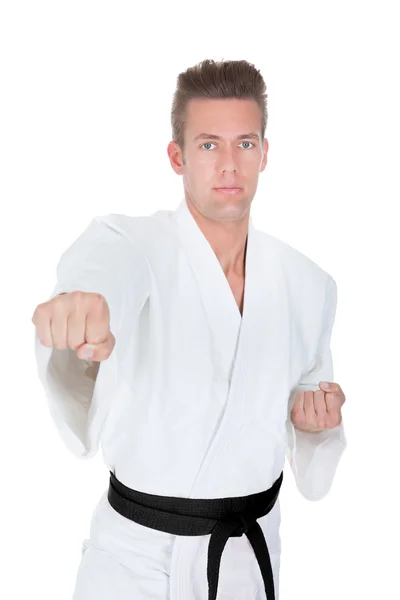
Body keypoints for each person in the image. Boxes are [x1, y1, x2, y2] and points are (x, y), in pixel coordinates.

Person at [32, 58, 347, 600]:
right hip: (135, 565)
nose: (228, 164)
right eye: (208, 145)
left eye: (244, 144)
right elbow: (106, 272)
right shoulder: (134, 245)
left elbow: (307, 408)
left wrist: (314, 421)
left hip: (248, 560)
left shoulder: (309, 285)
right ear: (177, 157)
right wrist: (87, 305)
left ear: (265, 154)